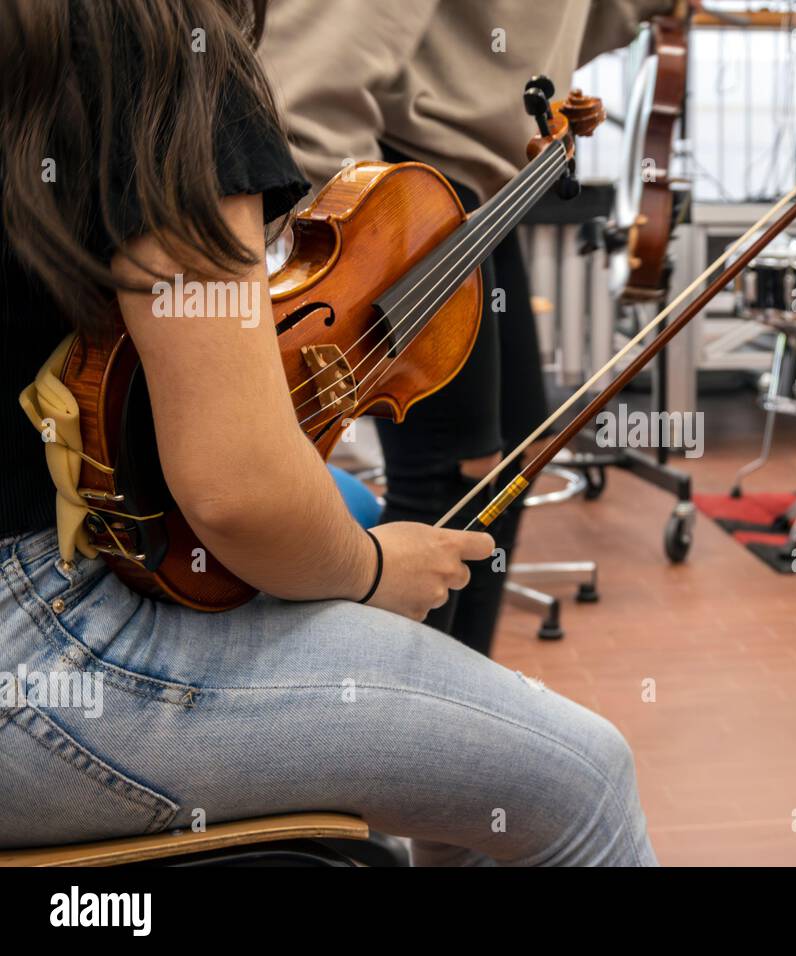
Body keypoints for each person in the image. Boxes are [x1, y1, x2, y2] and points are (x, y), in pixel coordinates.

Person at [0, 0, 655, 866]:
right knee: (588, 778)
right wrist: (373, 567)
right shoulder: (159, 49)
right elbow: (239, 491)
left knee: (347, 494)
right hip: (34, 655)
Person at [258, 0, 673, 657]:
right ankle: (394, 729)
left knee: (509, 460)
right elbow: (308, 81)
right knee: (454, 474)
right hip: (412, 186)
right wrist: (364, 237)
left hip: (479, 198)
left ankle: (459, 696)